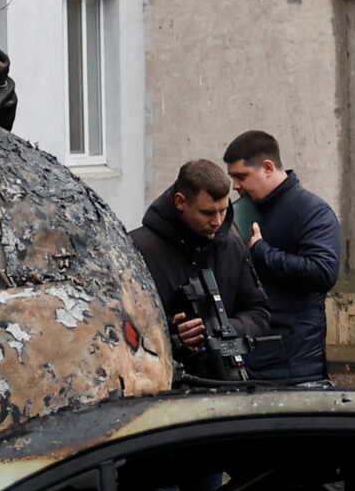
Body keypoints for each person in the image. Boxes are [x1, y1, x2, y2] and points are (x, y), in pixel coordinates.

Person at [129, 160, 271, 385]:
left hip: (228, 383)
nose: (217, 221)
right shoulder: (138, 251)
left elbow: (259, 313)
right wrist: (173, 336)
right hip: (163, 390)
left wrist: (225, 328)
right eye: (207, 213)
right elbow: (123, 332)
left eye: (223, 210)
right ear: (180, 202)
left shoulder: (232, 247)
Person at [223, 130, 342, 386]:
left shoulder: (312, 211)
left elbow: (323, 272)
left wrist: (262, 252)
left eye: (241, 176)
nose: (236, 186)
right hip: (249, 359)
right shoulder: (240, 212)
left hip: (296, 367)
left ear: (267, 167)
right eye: (233, 177)